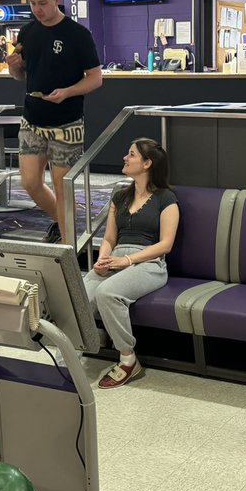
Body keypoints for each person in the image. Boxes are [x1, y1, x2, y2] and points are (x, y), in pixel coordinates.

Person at [6, 0, 103, 244]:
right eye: (33, 4)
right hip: (32, 119)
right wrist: (14, 68)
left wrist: (68, 92)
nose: (38, 9)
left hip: (66, 122)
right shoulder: (26, 32)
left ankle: (67, 245)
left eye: (43, 3)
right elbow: (21, 76)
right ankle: (65, 226)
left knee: (63, 188)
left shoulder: (78, 34)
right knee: (30, 183)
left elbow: (96, 78)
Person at [84, 139, 179, 389]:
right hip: (116, 258)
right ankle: (81, 346)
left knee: (107, 293)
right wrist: (102, 259)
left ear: (147, 163)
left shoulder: (166, 198)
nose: (125, 158)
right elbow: (109, 238)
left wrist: (127, 260)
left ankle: (128, 360)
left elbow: (165, 244)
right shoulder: (120, 197)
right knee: (78, 291)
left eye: (131, 154)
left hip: (149, 263)